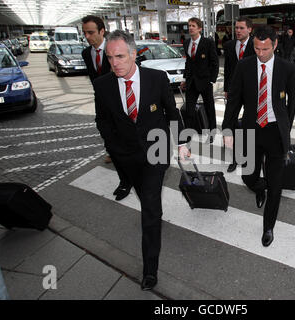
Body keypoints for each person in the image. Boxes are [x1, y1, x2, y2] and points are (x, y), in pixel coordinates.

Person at [94, 30, 190, 290]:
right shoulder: (102, 85)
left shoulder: (156, 79)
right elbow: (101, 119)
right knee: (144, 195)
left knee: (149, 207)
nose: (115, 63)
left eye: (120, 56)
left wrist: (181, 143)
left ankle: (149, 270)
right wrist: (111, 145)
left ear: (134, 55)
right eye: (110, 57)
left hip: (156, 153)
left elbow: (172, 113)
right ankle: (153, 212)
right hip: (125, 156)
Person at [222, 26, 295, 247]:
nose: (260, 53)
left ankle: (268, 227)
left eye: (265, 49)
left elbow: (292, 103)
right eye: (256, 48)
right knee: (248, 177)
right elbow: (234, 101)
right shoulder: (244, 66)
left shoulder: (287, 68)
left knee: (276, 185)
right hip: (252, 130)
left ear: (274, 45)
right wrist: (227, 129)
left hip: (275, 131)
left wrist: (286, 129)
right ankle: (258, 187)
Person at [81, 15, 132, 201]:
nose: (87, 36)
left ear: (102, 31)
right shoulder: (86, 54)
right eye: (85, 32)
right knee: (110, 142)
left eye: (91, 32)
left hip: (122, 104)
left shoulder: (116, 50)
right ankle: (124, 181)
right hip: (102, 106)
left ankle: (134, 175)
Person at [223, 16, 255, 173]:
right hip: (234, 91)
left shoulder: (256, 45)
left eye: (241, 28)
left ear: (249, 29)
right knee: (230, 123)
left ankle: (248, 156)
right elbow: (228, 68)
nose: (238, 31)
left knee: (249, 124)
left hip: (251, 91)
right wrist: (226, 88)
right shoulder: (229, 45)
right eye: (236, 28)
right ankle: (235, 158)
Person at [180, 17, 219, 143]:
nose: (190, 28)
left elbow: (215, 63)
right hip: (191, 82)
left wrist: (211, 80)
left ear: (200, 29)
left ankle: (212, 133)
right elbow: (188, 63)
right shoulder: (186, 43)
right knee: (189, 110)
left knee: (209, 109)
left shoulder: (208, 43)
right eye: (189, 25)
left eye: (193, 26)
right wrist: (185, 79)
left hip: (205, 82)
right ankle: (189, 134)